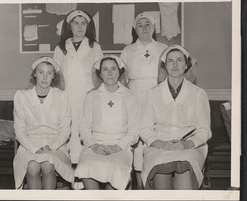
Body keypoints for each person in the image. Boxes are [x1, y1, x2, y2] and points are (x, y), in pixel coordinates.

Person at [139, 45, 211, 190]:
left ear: (186, 65)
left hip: (189, 147)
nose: (175, 65)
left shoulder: (198, 93)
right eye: (170, 61)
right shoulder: (152, 94)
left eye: (179, 60)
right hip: (159, 147)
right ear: (165, 66)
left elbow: (204, 130)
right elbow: (144, 128)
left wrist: (187, 144)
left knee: (185, 166)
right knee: (159, 167)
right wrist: (160, 143)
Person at [74, 56, 139, 190]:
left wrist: (118, 146)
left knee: (115, 173)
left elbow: (134, 130)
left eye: (113, 69)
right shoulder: (92, 96)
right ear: (100, 74)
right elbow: (84, 128)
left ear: (119, 72)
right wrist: (94, 145)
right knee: (86, 166)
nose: (109, 73)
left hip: (121, 147)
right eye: (105, 69)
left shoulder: (129, 96)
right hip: (95, 147)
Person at [120, 12, 168, 189]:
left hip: (156, 95)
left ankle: (156, 182)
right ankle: (138, 185)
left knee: (155, 135)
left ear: (154, 28)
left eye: (148, 24)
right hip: (135, 95)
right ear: (135, 29)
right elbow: (122, 78)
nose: (144, 28)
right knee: (137, 137)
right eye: (140, 25)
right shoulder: (128, 50)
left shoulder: (163, 48)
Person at [13, 57, 74, 189]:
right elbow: (19, 130)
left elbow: (65, 129)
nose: (45, 77)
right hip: (29, 145)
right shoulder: (22, 97)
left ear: (54, 76)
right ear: (34, 74)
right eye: (41, 72)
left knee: (47, 164)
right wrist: (34, 149)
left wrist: (51, 147)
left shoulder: (62, 96)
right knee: (32, 166)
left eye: (49, 73)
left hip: (56, 146)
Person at [53, 9, 103, 164]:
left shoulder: (95, 47)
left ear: (88, 26)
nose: (80, 27)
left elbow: (98, 74)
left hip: (86, 95)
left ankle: (84, 171)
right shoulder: (60, 48)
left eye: (83, 23)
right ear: (70, 26)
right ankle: (70, 170)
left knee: (85, 129)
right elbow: (57, 75)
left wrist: (98, 96)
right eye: (76, 23)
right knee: (69, 130)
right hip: (67, 96)